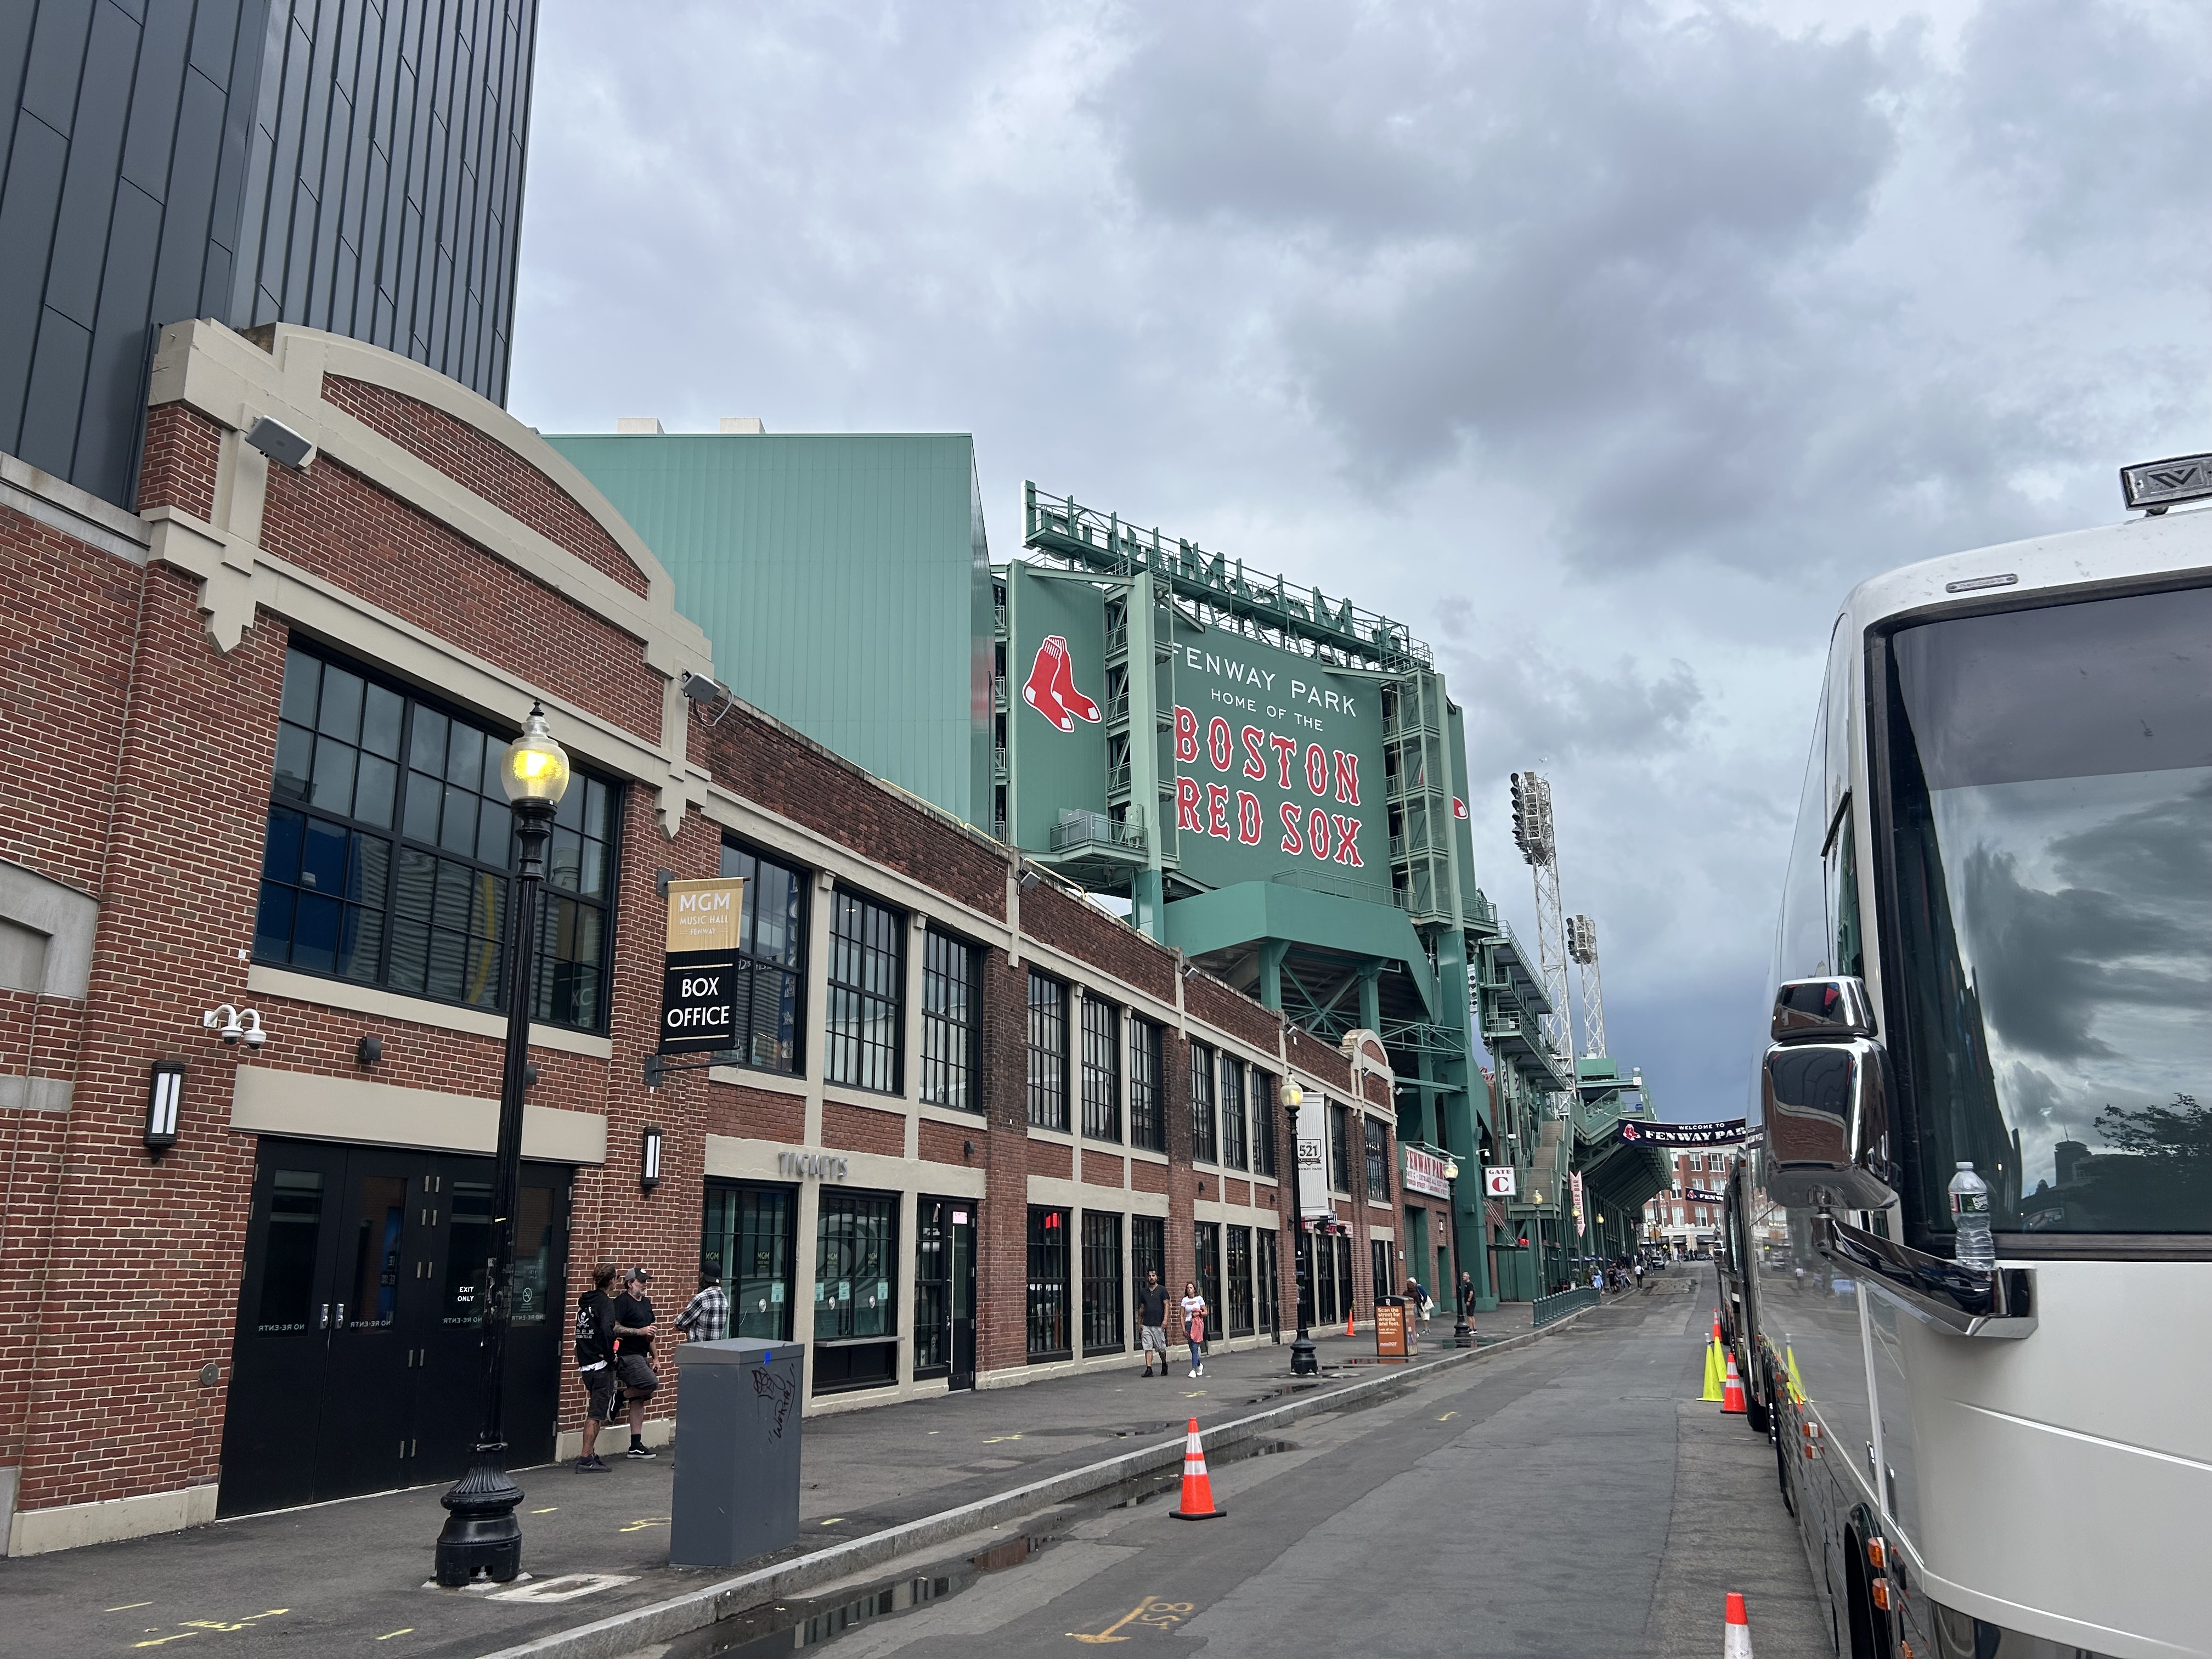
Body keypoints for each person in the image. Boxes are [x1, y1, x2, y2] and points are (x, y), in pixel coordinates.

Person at [572, 1260, 621, 1473]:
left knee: (596, 1409)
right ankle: (585, 1459)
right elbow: (608, 1330)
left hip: (586, 1363)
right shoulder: (606, 1304)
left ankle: (590, 1453)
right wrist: (611, 1356)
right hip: (600, 1365)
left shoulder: (586, 1302)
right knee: (597, 1413)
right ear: (612, 1281)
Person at [612, 1267, 659, 1459]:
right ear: (630, 1284)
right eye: (641, 1282)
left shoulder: (646, 1303)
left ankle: (635, 1445)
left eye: (646, 1281)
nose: (645, 1285)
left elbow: (651, 1333)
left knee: (641, 1397)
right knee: (650, 1383)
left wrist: (656, 1357)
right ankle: (620, 1396)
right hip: (626, 1354)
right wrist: (638, 1332)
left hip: (642, 1354)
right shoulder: (622, 1302)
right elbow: (614, 1328)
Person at [675, 1266, 729, 1345]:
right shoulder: (724, 1299)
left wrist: (689, 1327)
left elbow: (680, 1323)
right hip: (717, 1349)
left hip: (700, 1349)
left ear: (703, 1275)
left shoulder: (702, 1298)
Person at [1137, 1271, 1169, 1379]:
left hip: (1158, 1324)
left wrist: (1165, 1320)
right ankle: (1149, 1369)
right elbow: (1142, 1308)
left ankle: (1164, 1363)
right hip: (1147, 1323)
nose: (1151, 1278)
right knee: (1147, 1347)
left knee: (1161, 1348)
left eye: (1153, 1276)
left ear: (1157, 1277)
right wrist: (1139, 1323)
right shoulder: (1144, 1292)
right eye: (1149, 1276)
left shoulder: (1162, 1290)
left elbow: (1166, 1306)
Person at [1180, 1280, 1209, 1378]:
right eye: (1188, 1288)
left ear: (1194, 1289)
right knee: (1192, 1347)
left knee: (1196, 1346)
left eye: (1191, 1288)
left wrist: (1199, 1314)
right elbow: (1182, 1315)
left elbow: (1206, 1312)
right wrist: (1183, 1328)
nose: (1189, 1290)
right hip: (1188, 1324)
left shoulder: (1199, 1299)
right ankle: (1199, 1364)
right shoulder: (1184, 1300)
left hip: (1197, 1324)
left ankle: (1193, 1369)